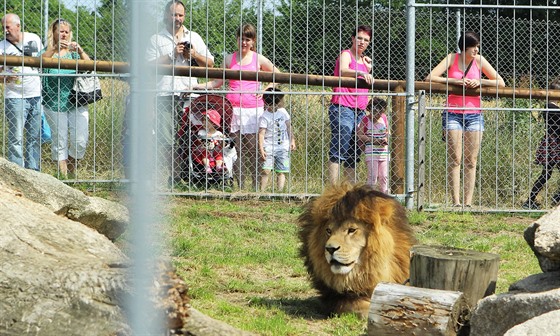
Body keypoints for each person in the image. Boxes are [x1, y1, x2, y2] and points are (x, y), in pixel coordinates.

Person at [194, 23, 281, 191]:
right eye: (241, 39)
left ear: (253, 41)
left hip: (253, 110)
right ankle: (240, 188)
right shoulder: (229, 59)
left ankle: (257, 189)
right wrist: (199, 86)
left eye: (248, 39)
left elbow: (276, 73)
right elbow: (218, 82)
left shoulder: (258, 58)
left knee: (254, 150)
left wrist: (267, 89)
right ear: (237, 39)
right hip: (233, 110)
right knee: (236, 151)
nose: (244, 43)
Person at [425, 31, 505, 207]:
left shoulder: (479, 60)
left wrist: (480, 82)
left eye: (477, 47)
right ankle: (456, 202)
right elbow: (431, 77)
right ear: (464, 47)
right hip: (452, 113)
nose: (476, 50)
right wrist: (455, 82)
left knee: (471, 160)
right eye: (473, 47)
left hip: (474, 114)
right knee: (455, 159)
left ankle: (468, 203)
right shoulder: (452, 58)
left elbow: (500, 82)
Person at [146, 0, 214, 184]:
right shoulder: (156, 39)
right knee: (167, 140)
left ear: (184, 16)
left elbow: (210, 64)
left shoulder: (195, 37)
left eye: (180, 15)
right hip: (165, 95)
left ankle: (191, 175)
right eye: (173, 14)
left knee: (190, 139)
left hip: (189, 96)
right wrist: (171, 55)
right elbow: (149, 66)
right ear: (166, 15)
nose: (177, 18)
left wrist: (194, 55)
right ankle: (174, 177)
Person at [40, 18, 91, 178]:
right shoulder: (47, 51)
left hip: (76, 102)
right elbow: (39, 63)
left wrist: (81, 51)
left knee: (80, 141)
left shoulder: (74, 54)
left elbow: (90, 66)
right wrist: (54, 49)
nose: (63, 34)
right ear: (53, 33)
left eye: (66, 32)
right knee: (59, 141)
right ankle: (63, 179)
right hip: (54, 103)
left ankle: (71, 171)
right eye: (60, 31)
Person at [328, 25, 375, 185]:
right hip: (343, 107)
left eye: (366, 40)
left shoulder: (365, 61)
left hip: (360, 110)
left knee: (354, 151)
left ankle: (350, 190)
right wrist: (362, 73)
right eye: (359, 38)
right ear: (353, 38)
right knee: (340, 145)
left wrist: (367, 68)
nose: (362, 42)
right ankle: (333, 189)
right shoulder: (346, 55)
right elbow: (343, 69)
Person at [0, 13, 43, 171]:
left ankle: (33, 171)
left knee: (35, 136)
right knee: (16, 137)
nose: (5, 31)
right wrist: (4, 79)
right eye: (3, 27)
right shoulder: (1, 46)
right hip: (14, 96)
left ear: (18, 26)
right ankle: (17, 172)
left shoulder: (34, 38)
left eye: (8, 27)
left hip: (36, 94)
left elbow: (43, 59)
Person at [523, 80, 560, 210]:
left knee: (546, 173)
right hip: (554, 143)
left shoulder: (551, 107)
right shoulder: (552, 108)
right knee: (546, 174)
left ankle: (533, 200)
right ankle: (532, 200)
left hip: (553, 143)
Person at [258, 88, 295, 192]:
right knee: (266, 170)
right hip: (269, 147)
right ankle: (262, 192)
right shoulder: (264, 116)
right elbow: (261, 134)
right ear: (277, 101)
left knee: (281, 171)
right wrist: (261, 149)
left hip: (283, 147)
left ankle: (280, 192)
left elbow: (288, 126)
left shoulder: (283, 112)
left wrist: (292, 140)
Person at [358, 98, 390, 193]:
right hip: (371, 152)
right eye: (376, 112)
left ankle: (384, 195)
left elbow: (387, 131)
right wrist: (374, 141)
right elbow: (359, 135)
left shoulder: (384, 118)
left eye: (381, 112)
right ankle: (368, 196)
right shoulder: (365, 120)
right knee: (372, 177)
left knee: (384, 176)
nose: (379, 115)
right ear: (370, 110)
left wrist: (385, 139)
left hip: (383, 152)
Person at [193, 109, 225, 173]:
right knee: (205, 153)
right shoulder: (202, 132)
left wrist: (223, 139)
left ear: (213, 122)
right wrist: (206, 137)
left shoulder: (218, 133)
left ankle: (218, 167)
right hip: (204, 149)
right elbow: (199, 141)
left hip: (216, 150)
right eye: (203, 120)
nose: (203, 122)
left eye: (206, 120)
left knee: (219, 155)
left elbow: (222, 146)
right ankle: (207, 167)